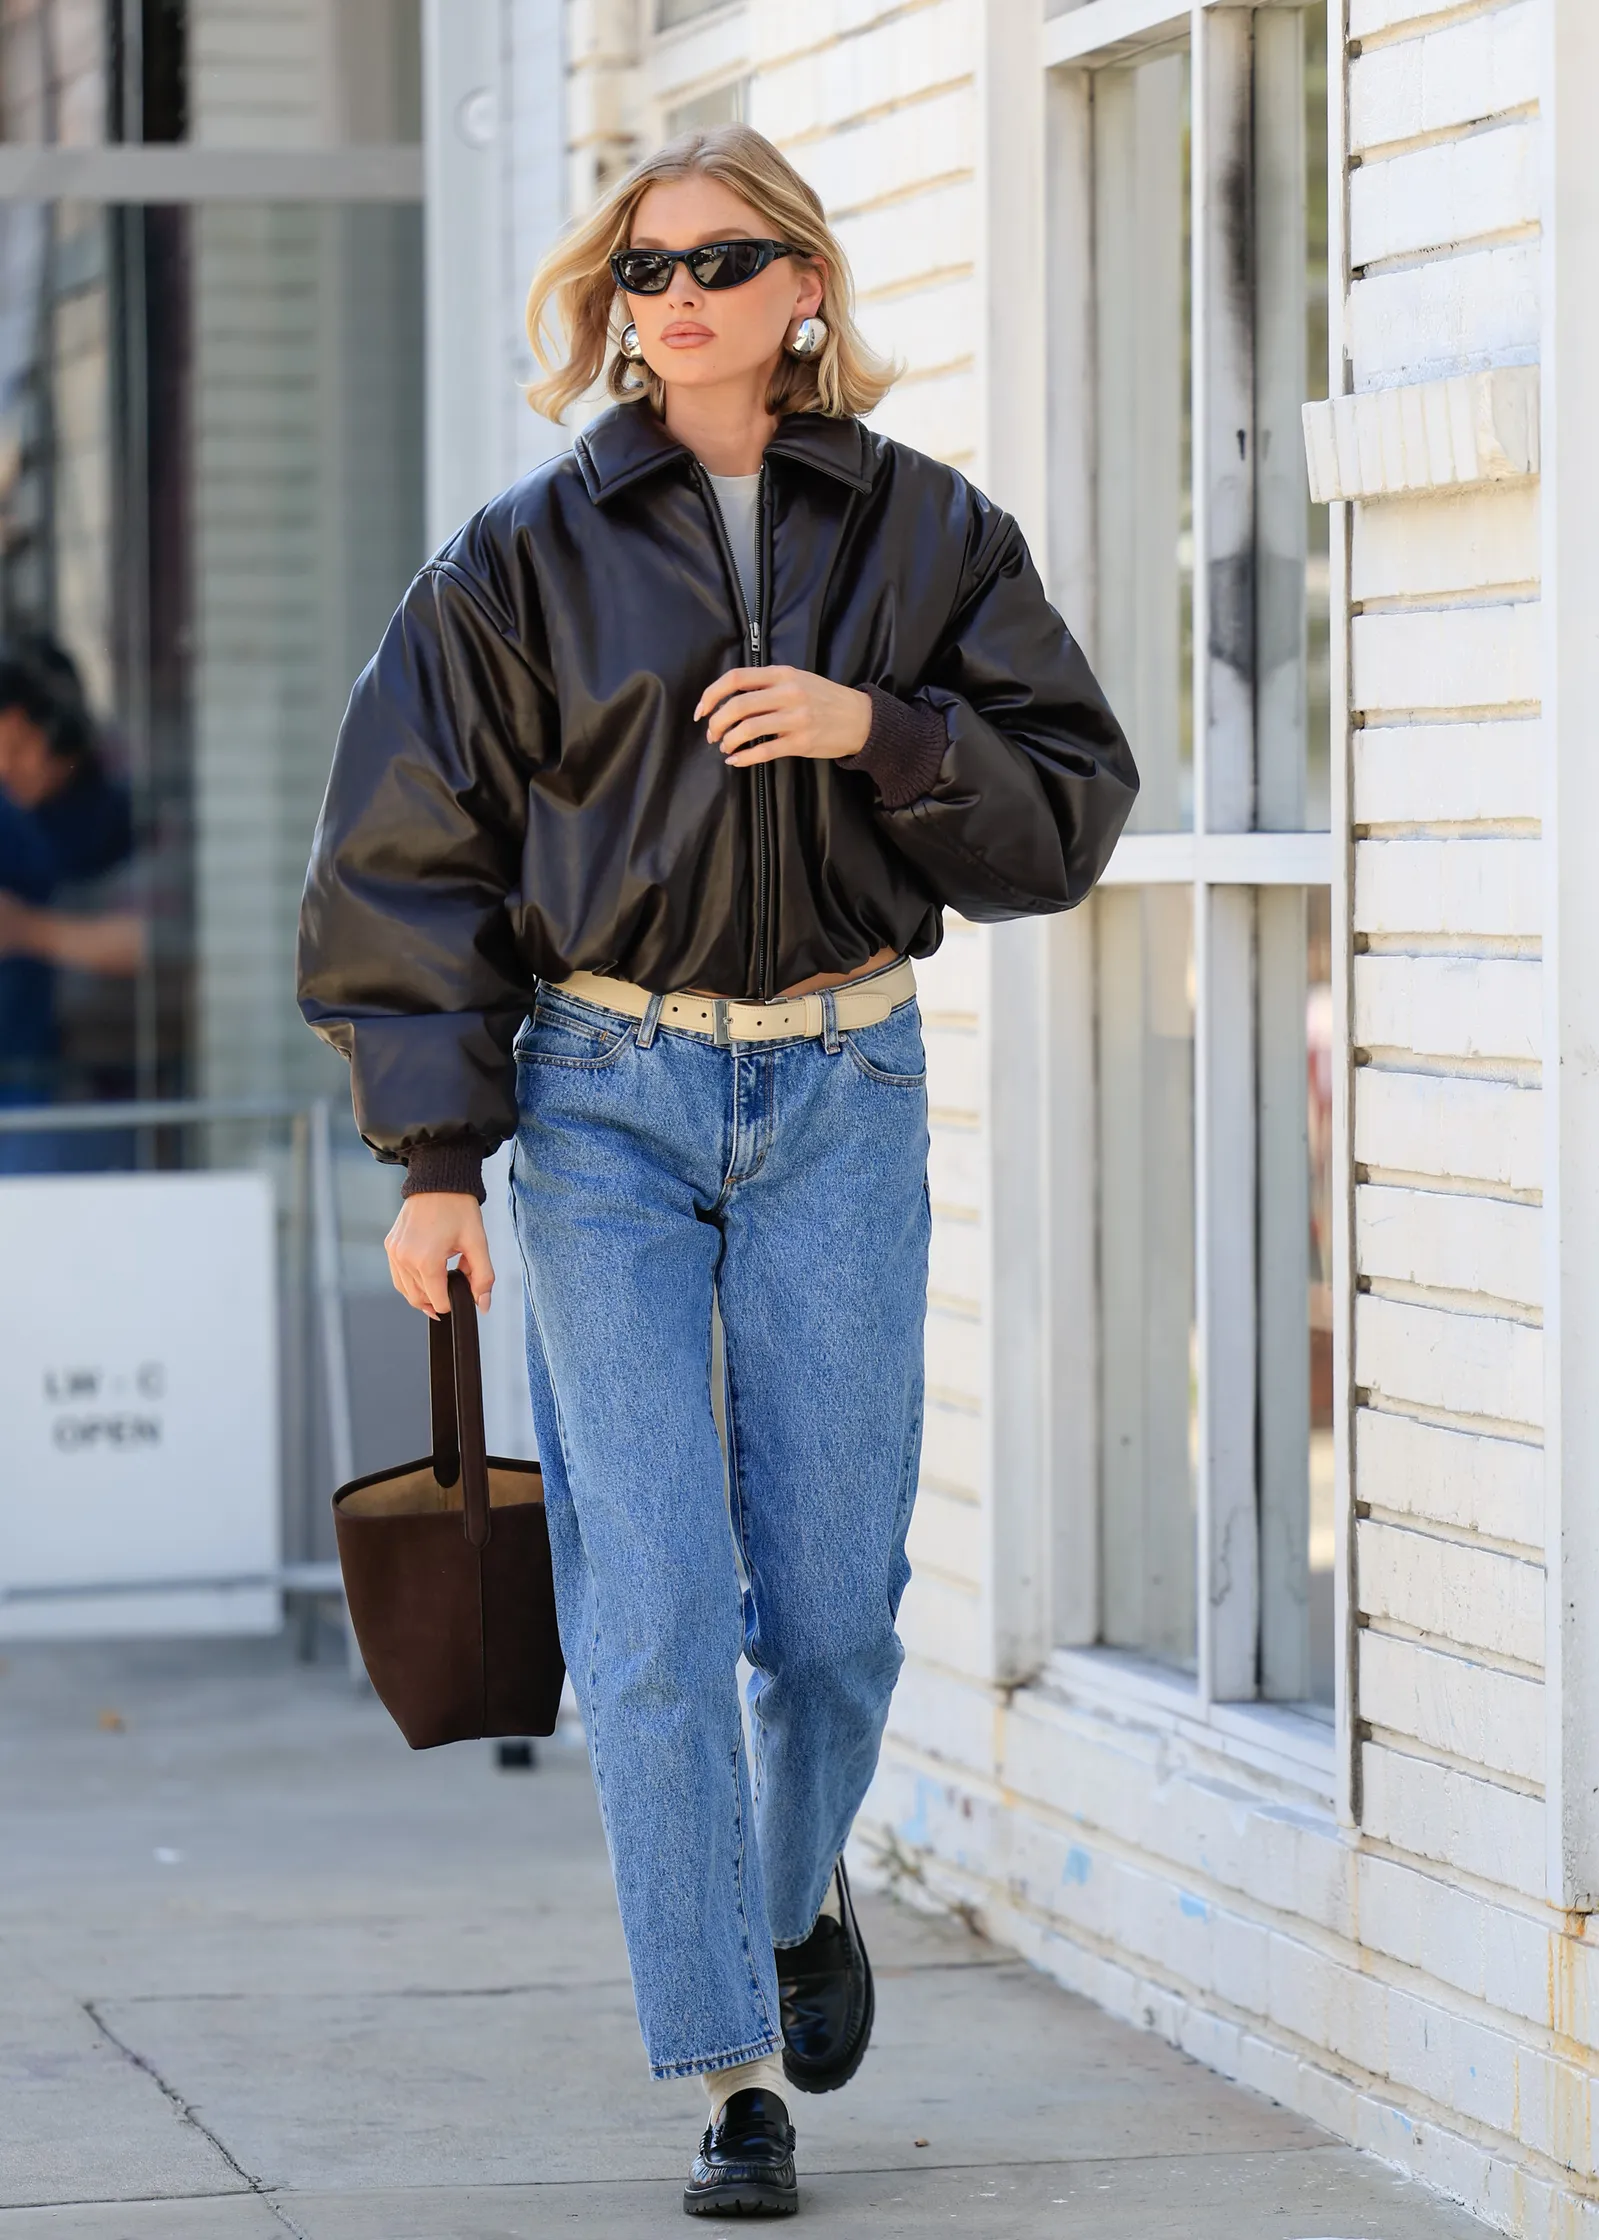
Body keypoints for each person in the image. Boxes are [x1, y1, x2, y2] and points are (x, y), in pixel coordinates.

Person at [298, 124, 1137, 2218]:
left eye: (719, 261)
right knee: (656, 1609)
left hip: (842, 1081)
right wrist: (431, 1158)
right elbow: (408, 858)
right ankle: (730, 2073)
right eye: (644, 270)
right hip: (602, 1099)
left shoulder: (931, 535)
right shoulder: (514, 562)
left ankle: (788, 1888)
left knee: (833, 1612)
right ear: (613, 302)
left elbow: (1067, 809)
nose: (674, 298)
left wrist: (884, 735)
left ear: (803, 292)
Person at [0, 637, 134, 1164]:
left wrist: (26, 929)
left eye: (16, 749)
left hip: (82, 1081)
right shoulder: (16, 815)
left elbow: (162, 941)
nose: (7, 770)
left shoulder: (114, 815)